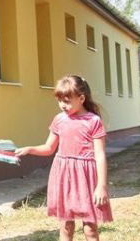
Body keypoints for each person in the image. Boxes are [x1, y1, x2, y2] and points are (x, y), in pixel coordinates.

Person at [16, 75, 112, 241]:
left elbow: (100, 155)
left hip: (86, 178)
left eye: (67, 101)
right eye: (59, 100)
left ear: (81, 98)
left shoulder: (94, 121)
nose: (62, 105)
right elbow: (49, 148)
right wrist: (30, 149)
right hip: (64, 176)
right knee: (66, 226)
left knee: (90, 229)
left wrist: (101, 186)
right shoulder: (59, 120)